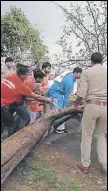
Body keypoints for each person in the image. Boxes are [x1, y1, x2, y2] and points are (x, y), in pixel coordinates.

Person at [74, 52, 107, 173]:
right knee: (102, 135)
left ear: (91, 61)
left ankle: (85, 164)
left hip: (92, 105)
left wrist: (76, 104)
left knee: (87, 135)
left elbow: (82, 93)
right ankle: (104, 163)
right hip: (105, 107)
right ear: (102, 61)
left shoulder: (87, 72)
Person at [1, 64, 52, 136]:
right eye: (26, 75)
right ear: (22, 75)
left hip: (11, 101)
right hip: (8, 103)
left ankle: (12, 135)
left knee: (13, 120)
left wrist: (35, 99)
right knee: (23, 119)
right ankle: (16, 136)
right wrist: (47, 99)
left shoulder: (12, 76)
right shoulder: (25, 83)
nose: (27, 77)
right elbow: (29, 97)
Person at [46, 67, 82, 134]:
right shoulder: (70, 81)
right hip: (55, 94)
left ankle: (53, 127)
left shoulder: (70, 75)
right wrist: (64, 106)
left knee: (53, 111)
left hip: (54, 91)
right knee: (60, 111)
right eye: (79, 74)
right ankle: (59, 129)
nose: (80, 76)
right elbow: (66, 95)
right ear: (75, 73)